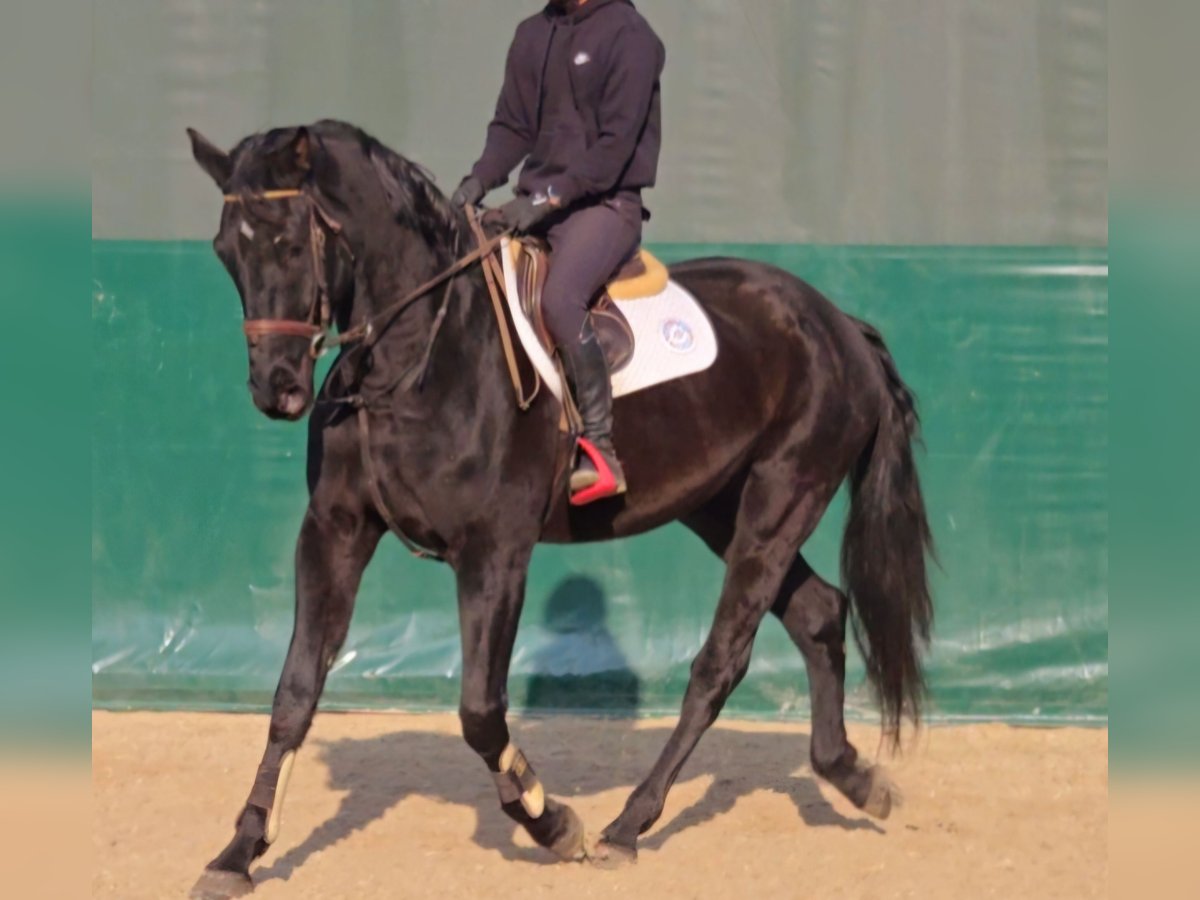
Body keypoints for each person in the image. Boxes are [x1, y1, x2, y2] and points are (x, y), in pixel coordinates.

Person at [451, 0, 665, 504]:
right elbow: (512, 128)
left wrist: (546, 201)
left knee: (560, 299)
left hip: (605, 206)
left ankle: (601, 448)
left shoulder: (630, 35)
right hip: (537, 204)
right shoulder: (532, 33)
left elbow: (613, 150)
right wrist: (476, 182)